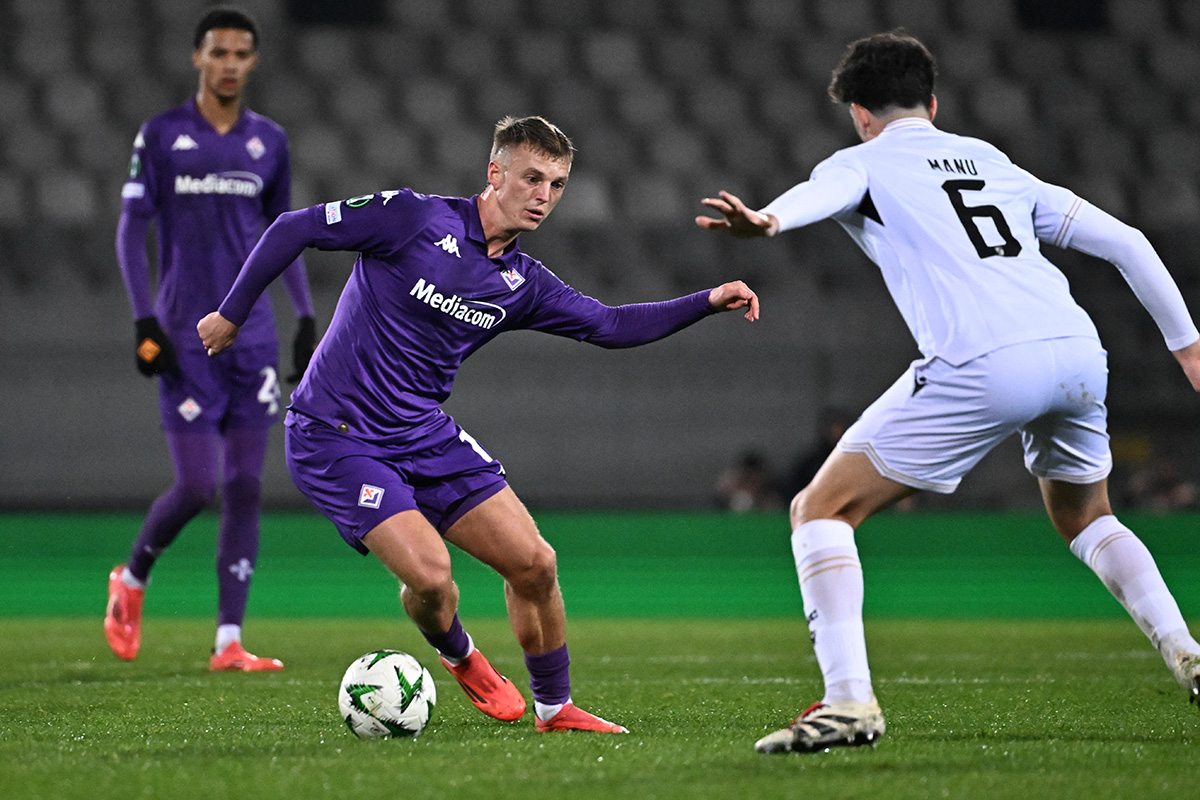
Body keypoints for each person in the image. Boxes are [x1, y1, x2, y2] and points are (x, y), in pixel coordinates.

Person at [697, 32, 1200, 753]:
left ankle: (849, 702)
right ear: (932, 103)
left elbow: (822, 193)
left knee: (820, 507)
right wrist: (1188, 346)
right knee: (1088, 517)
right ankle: (1187, 651)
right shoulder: (991, 161)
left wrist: (768, 220)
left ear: (859, 114)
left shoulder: (861, 161)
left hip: (983, 358)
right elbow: (1126, 241)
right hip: (1077, 351)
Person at [198, 115, 759, 732]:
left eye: (558, 184)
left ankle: (555, 707)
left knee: (535, 564)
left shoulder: (523, 282)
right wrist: (231, 313)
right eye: (532, 178)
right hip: (337, 434)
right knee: (434, 578)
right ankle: (462, 657)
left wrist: (706, 300)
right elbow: (293, 226)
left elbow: (612, 325)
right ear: (495, 174)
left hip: (422, 432)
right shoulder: (412, 218)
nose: (544, 196)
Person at [105, 6, 317, 672]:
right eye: (218, 52)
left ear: (253, 62)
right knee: (198, 486)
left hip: (252, 336)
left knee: (247, 484)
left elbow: (284, 234)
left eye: (241, 54)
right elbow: (129, 229)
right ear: (198, 57)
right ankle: (133, 577)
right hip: (184, 336)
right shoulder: (163, 135)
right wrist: (144, 322)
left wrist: (306, 317)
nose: (229, 64)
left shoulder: (270, 143)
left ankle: (229, 639)